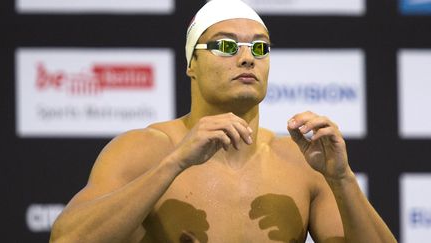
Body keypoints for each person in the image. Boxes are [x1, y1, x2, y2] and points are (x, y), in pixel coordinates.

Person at [50, 0, 397, 242]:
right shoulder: (143, 150)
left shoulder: (299, 163)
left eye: (260, 48)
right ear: (191, 65)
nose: (247, 58)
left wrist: (342, 179)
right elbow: (68, 238)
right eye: (226, 46)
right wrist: (173, 165)